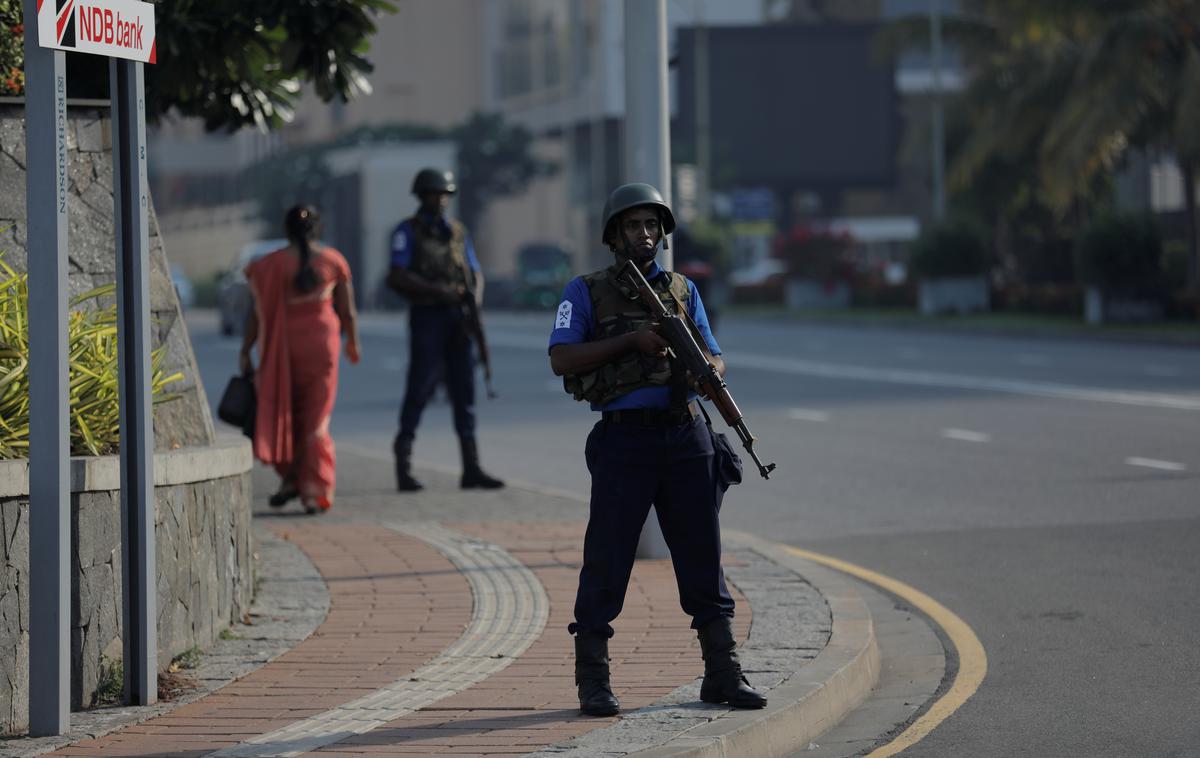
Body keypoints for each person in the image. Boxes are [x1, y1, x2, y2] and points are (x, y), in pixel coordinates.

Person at [548, 183, 767, 717]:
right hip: (624, 437)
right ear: (614, 235)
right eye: (632, 225)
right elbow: (562, 358)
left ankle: (722, 671)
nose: (644, 234)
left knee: (701, 554)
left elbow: (716, 357)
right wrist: (631, 341)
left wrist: (706, 370)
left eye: (652, 225)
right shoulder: (584, 291)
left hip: (686, 433)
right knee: (608, 557)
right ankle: (593, 681)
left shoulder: (682, 291)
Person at [386, 168, 504, 492]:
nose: (440, 200)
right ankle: (404, 466)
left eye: (444, 195)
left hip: (459, 317)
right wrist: (439, 292)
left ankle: (471, 467)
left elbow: (474, 271)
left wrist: (474, 300)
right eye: (434, 194)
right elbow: (397, 275)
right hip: (427, 316)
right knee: (420, 388)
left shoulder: (456, 231)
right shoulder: (406, 231)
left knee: (464, 391)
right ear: (421, 196)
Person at [240, 205, 361, 514]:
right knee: (316, 419)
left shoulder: (268, 265)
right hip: (322, 346)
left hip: (284, 348)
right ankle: (314, 490)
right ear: (317, 229)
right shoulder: (334, 261)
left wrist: (245, 349)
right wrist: (353, 343)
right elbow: (347, 312)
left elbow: (256, 313)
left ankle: (291, 480)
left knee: (286, 412)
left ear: (287, 230)